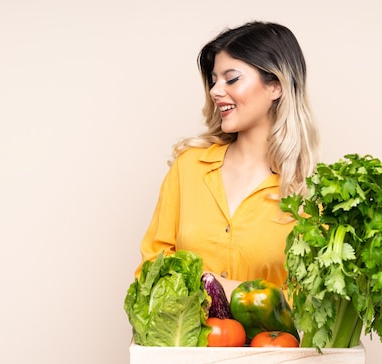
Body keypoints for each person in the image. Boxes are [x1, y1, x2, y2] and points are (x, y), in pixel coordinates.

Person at [135, 21, 321, 296]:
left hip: (271, 340)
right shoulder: (189, 167)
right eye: (213, 81)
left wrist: (222, 288)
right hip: (184, 338)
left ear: (275, 86)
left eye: (231, 79)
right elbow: (151, 270)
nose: (215, 91)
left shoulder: (309, 189)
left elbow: (312, 301)